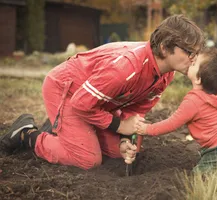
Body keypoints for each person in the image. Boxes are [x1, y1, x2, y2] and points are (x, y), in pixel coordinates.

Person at [0, 15, 205, 170]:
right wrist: (119, 126)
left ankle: (61, 128)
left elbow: (136, 111)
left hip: (98, 101)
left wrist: (126, 141)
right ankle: (27, 134)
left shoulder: (165, 74)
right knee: (87, 160)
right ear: (164, 48)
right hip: (69, 91)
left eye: (196, 53)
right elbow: (81, 104)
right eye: (189, 52)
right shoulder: (125, 69)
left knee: (117, 153)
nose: (194, 59)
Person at [136, 47, 217, 172]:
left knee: (199, 174)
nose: (190, 62)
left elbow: (172, 123)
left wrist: (147, 129)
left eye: (194, 63)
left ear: (198, 79)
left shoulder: (193, 101)